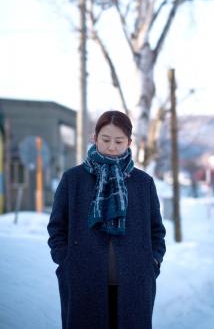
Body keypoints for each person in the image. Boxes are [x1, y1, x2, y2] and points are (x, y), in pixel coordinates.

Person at [47, 110, 166, 329]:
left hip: (135, 282)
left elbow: (157, 231)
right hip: (82, 279)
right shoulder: (73, 179)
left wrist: (153, 262)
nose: (112, 146)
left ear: (129, 142)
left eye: (119, 141)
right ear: (95, 138)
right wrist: (66, 260)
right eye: (106, 139)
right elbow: (57, 227)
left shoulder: (143, 183)